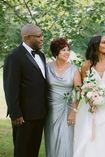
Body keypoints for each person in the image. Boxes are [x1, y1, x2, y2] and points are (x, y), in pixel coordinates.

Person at [3, 24, 47, 157]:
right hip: (23, 117)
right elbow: (10, 87)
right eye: (38, 36)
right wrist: (16, 114)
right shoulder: (14, 57)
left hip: (40, 114)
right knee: (22, 152)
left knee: (33, 151)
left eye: (41, 35)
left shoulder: (41, 55)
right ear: (27, 37)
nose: (41, 39)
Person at [44, 38, 81, 157]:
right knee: (51, 140)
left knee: (66, 141)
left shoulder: (74, 69)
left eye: (68, 50)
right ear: (56, 52)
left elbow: (78, 91)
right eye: (63, 50)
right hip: (50, 110)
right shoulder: (46, 67)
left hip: (67, 110)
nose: (67, 52)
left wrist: (73, 111)